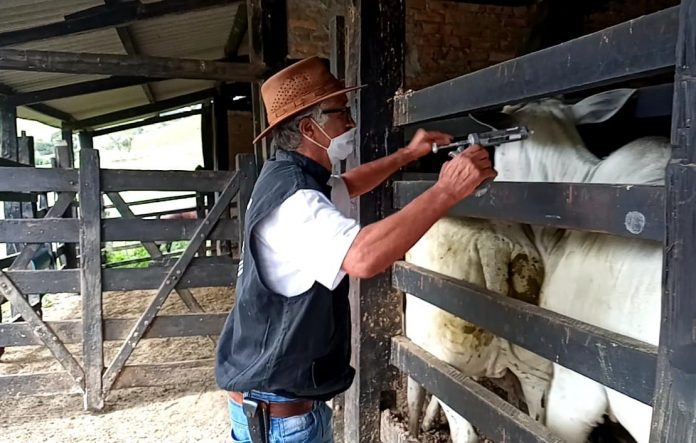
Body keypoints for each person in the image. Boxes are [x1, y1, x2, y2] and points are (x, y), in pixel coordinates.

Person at [215, 56, 496, 443]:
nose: (351, 122)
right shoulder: (295, 201)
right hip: (280, 420)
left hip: (280, 407)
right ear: (309, 127)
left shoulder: (288, 176)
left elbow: (348, 184)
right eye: (341, 112)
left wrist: (407, 155)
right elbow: (362, 257)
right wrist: (447, 190)